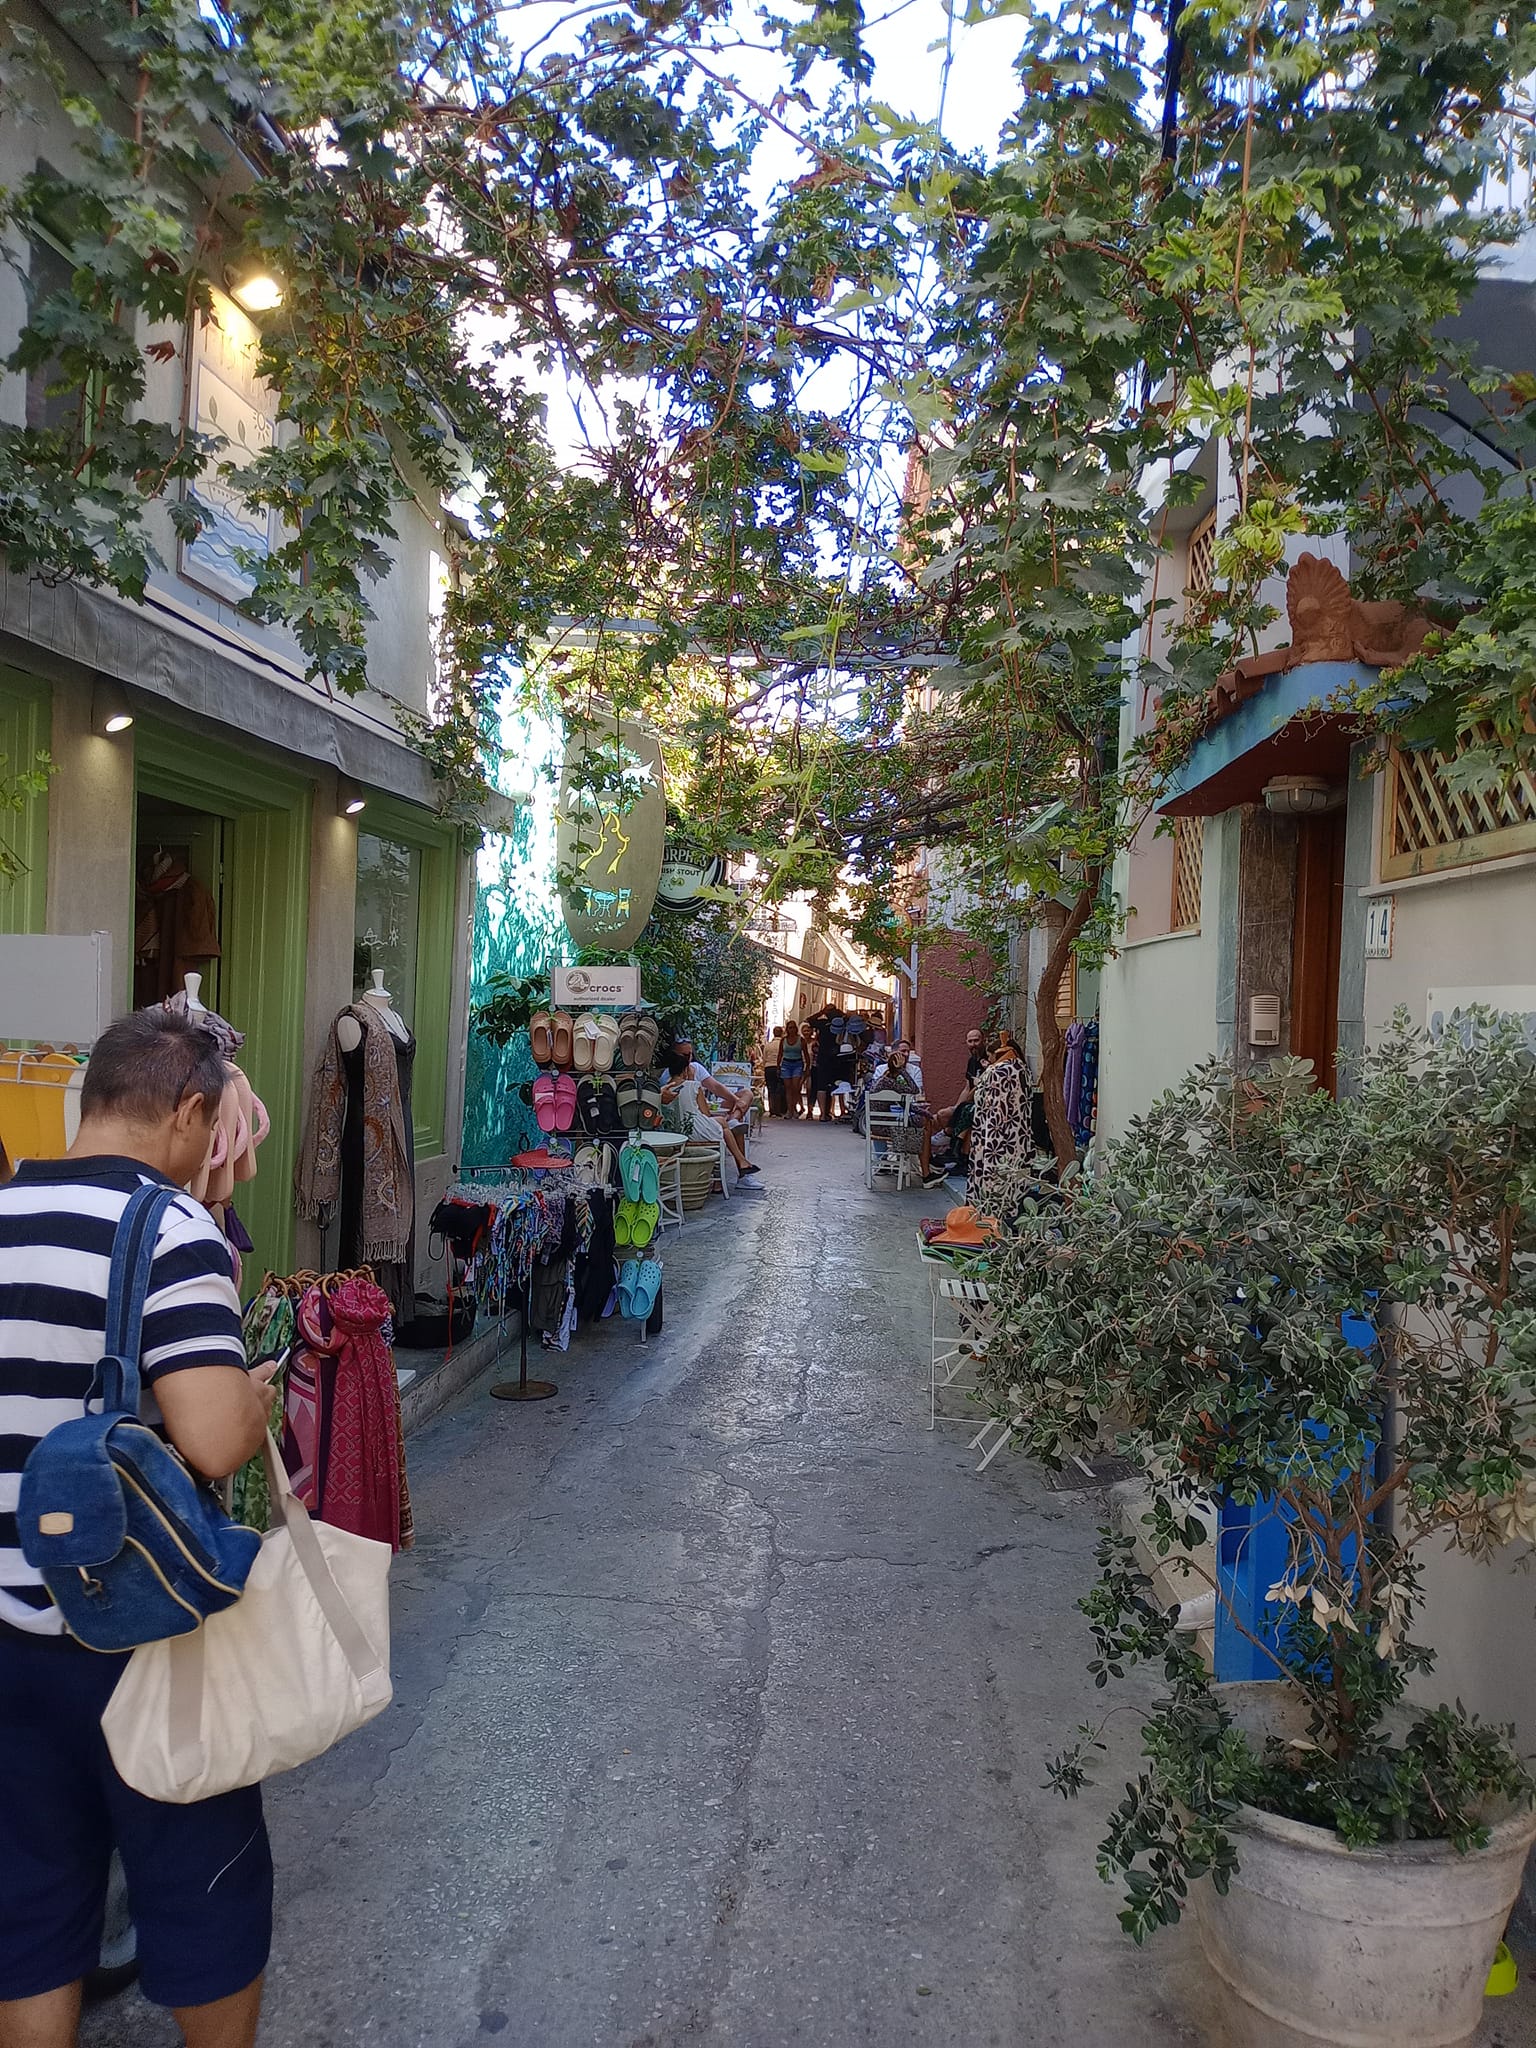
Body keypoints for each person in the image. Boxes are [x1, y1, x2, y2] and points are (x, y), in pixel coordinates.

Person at [0, 1008, 278, 2048]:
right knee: (205, 1889)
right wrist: (251, 1398)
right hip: (135, 1634)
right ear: (191, 1111)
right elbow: (213, 1440)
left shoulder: (5, 1207)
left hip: (5, 1636)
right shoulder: (166, 1228)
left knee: (31, 1911)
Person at [660, 1050, 761, 1180]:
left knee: (722, 1124)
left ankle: (742, 1162)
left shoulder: (664, 1090)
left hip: (675, 1131)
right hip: (694, 1130)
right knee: (723, 1124)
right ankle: (741, 1161)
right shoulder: (694, 1086)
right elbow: (706, 1114)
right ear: (685, 1070)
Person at [866, 1043, 948, 1188]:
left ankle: (927, 1167)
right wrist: (902, 1070)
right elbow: (914, 1090)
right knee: (924, 1128)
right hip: (886, 1127)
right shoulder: (889, 1082)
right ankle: (926, 1172)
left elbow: (903, 1104)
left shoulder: (884, 1080)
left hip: (879, 1125)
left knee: (925, 1121)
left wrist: (925, 1113)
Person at [778, 1021, 807, 1119]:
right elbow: (780, 1054)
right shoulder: (783, 1040)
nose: (792, 1030)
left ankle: (794, 1108)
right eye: (790, 1028)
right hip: (786, 1064)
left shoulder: (801, 1040)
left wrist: (807, 1067)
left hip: (797, 1064)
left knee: (796, 1087)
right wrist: (778, 1066)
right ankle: (789, 1110)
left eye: (794, 1027)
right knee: (788, 1088)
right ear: (787, 1029)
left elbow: (806, 1054)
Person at [762, 1026, 786, 1119]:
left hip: (769, 1067)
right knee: (780, 1089)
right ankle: (779, 1110)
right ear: (782, 1033)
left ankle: (772, 1110)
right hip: (780, 1067)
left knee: (771, 1089)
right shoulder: (783, 1044)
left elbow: (764, 1058)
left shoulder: (768, 1045)